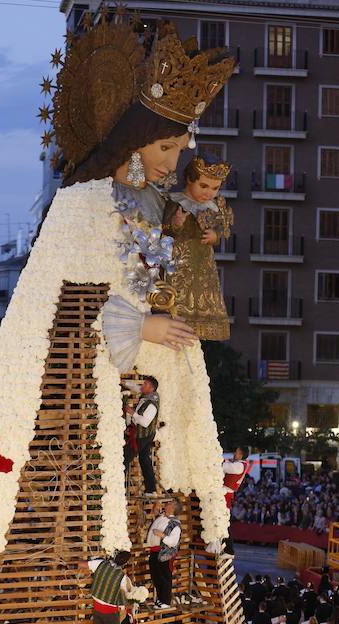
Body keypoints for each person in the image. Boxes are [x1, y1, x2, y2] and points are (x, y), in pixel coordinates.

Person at [161, 156, 233, 341]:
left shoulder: (212, 208)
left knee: (202, 292)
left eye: (215, 188)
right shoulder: (175, 203)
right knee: (178, 296)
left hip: (202, 262)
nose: (209, 193)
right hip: (179, 261)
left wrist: (214, 236)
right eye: (204, 186)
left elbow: (220, 230)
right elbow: (165, 229)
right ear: (189, 179)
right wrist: (176, 223)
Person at [124, 375, 160, 495]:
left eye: (145, 384)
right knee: (144, 459)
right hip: (146, 434)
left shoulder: (152, 404)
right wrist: (122, 382)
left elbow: (144, 422)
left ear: (151, 388)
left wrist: (132, 413)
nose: (142, 386)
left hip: (143, 436)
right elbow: (135, 387)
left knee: (124, 458)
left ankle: (119, 488)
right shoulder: (147, 395)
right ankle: (151, 489)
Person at [145, 497, 182, 609]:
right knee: (156, 577)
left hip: (164, 554)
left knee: (164, 577)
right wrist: (156, 505)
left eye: (170, 503)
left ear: (173, 508)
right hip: (154, 552)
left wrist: (162, 535)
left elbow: (173, 542)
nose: (167, 504)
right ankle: (161, 600)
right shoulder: (162, 516)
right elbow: (157, 514)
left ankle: (165, 601)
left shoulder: (174, 524)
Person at [221, 448, 250, 559]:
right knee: (223, 521)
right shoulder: (239, 464)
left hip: (225, 494)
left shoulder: (239, 465)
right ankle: (227, 548)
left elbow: (224, 467)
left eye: (237, 452)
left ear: (241, 454)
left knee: (223, 522)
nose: (234, 453)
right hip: (225, 493)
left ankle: (229, 549)